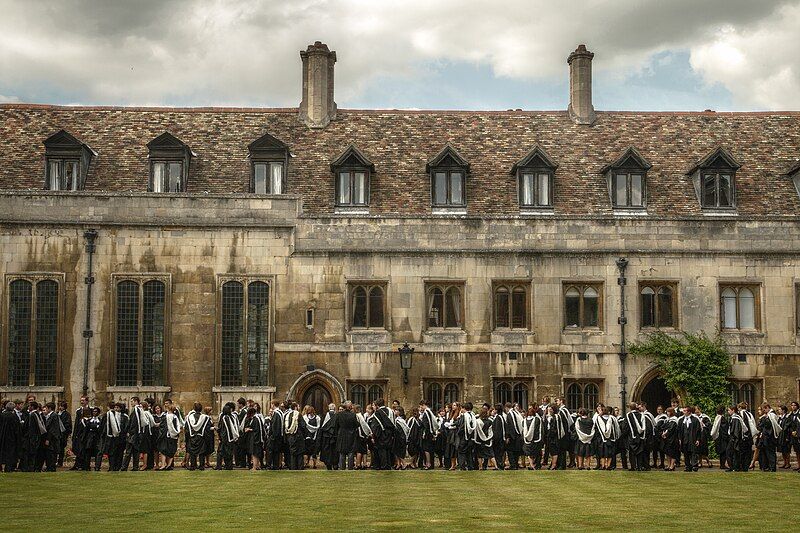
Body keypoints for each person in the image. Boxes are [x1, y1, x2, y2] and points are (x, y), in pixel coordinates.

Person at [184, 403, 211, 471]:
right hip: (201, 436)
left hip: (192, 436)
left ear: (194, 409)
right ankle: (201, 465)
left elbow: (186, 428)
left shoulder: (189, 417)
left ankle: (193, 465)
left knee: (193, 452)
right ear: (201, 409)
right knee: (201, 452)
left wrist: (187, 437)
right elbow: (207, 428)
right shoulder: (205, 417)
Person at [592, 405, 619, 470]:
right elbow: (616, 428)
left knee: (602, 453)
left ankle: (603, 465)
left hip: (601, 439)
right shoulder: (612, 418)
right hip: (611, 439)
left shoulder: (598, 418)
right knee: (610, 453)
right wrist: (616, 437)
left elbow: (595, 428)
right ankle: (608, 466)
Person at [757, 402, 781, 472]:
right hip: (767, 437)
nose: (764, 412)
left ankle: (772, 467)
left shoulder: (771, 415)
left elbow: (769, 425)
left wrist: (764, 419)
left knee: (771, 453)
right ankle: (769, 466)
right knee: (768, 453)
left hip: (770, 437)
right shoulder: (769, 415)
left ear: (767, 407)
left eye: (764, 410)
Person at [214, 402, 239, 471]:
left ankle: (219, 466)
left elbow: (223, 429)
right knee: (229, 452)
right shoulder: (232, 417)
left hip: (225, 438)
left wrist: (219, 435)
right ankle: (229, 466)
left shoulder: (224, 418)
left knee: (220, 452)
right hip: (231, 438)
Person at [157, 403, 182, 471]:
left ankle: (163, 465)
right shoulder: (175, 417)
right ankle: (168, 465)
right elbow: (178, 426)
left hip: (166, 436)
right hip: (173, 436)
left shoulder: (165, 417)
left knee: (163, 450)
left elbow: (162, 426)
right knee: (172, 451)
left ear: (168, 409)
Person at [335, 401, 358, 470]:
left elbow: (336, 425)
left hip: (341, 434)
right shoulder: (353, 415)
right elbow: (356, 424)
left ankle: (342, 468)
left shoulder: (339, 414)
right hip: (351, 435)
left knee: (342, 452)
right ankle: (350, 468)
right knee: (350, 452)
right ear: (349, 407)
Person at [726, 405, 749, 472]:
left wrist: (733, 439)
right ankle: (734, 467)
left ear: (733, 410)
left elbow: (735, 430)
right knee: (734, 453)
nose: (728, 412)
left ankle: (733, 467)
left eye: (729, 410)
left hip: (734, 439)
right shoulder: (737, 417)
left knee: (730, 453)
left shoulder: (735, 418)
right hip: (735, 439)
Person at [41, 402, 63, 472]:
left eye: (46, 408)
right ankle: (49, 467)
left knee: (51, 454)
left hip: (52, 439)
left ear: (49, 408)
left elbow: (52, 429)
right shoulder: (51, 415)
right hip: (52, 438)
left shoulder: (53, 416)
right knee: (49, 453)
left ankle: (51, 468)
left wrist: (48, 439)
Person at [284, 402, 306, 470]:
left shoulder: (287, 415)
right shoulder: (298, 414)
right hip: (298, 436)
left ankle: (293, 467)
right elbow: (303, 426)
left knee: (292, 454)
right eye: (298, 406)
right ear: (296, 407)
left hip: (290, 436)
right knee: (300, 453)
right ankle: (299, 468)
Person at [0, 402, 21, 472]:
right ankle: (8, 468)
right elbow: (17, 429)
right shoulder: (14, 417)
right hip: (11, 438)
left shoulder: (2, 415)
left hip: (2, 437)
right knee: (10, 453)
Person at [678, 406, 701, 472]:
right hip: (684, 439)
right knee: (686, 453)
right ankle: (688, 466)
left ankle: (694, 465)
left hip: (692, 438)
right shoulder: (681, 420)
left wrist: (698, 439)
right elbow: (679, 430)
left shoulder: (695, 419)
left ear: (689, 412)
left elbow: (698, 430)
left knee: (693, 452)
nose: (683, 412)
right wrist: (679, 439)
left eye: (685, 411)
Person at [70, 396, 89, 470]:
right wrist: (74, 435)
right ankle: (77, 465)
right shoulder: (78, 411)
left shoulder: (89, 409)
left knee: (84, 450)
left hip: (86, 434)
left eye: (83, 400)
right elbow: (77, 423)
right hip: (79, 433)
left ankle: (83, 465)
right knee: (78, 449)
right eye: (81, 400)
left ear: (87, 401)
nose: (82, 402)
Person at [522, 405, 543, 470]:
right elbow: (540, 429)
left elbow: (523, 429)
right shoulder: (537, 419)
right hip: (536, 439)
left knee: (529, 453)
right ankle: (536, 465)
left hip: (527, 440)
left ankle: (532, 465)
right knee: (537, 453)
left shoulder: (524, 421)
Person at [318, 403, 338, 470]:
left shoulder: (324, 416)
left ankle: (328, 465)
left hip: (326, 438)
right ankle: (335, 464)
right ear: (335, 409)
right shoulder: (336, 416)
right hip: (335, 437)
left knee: (327, 451)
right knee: (334, 451)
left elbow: (322, 428)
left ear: (329, 408)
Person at [418, 400, 437, 470]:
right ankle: (430, 464)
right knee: (430, 449)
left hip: (427, 434)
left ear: (423, 405)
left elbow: (426, 425)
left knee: (426, 449)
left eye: (421, 406)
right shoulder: (429, 412)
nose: (420, 408)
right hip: (430, 434)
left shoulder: (426, 413)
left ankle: (428, 464)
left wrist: (424, 434)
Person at [710, 405, 729, 470]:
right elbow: (724, 429)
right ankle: (722, 464)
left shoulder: (717, 417)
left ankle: (722, 464)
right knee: (724, 451)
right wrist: (726, 437)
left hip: (718, 437)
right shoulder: (722, 418)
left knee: (721, 452)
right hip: (722, 438)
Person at [660, 407, 680, 471]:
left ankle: (672, 465)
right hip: (667, 439)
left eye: (668, 412)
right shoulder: (667, 419)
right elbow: (663, 427)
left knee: (673, 452)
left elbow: (671, 429)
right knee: (667, 452)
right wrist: (663, 433)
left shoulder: (674, 420)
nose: (667, 413)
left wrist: (665, 433)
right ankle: (669, 465)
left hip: (673, 438)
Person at [268, 400, 285, 470]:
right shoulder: (280, 412)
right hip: (279, 436)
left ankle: (275, 466)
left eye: (271, 404)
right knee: (276, 452)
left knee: (275, 452)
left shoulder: (276, 413)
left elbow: (275, 426)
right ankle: (276, 465)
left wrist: (272, 436)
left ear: (273, 404)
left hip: (276, 437)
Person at [55, 401, 72, 468]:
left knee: (61, 449)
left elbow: (68, 425)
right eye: (59, 406)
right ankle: (55, 461)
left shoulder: (67, 414)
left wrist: (65, 433)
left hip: (62, 434)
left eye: (61, 406)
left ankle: (60, 462)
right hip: (57, 434)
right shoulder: (56, 413)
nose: (60, 407)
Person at [491, 403, 507, 469]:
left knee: (498, 453)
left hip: (499, 440)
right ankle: (500, 465)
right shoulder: (501, 417)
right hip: (501, 439)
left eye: (494, 409)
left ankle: (499, 465)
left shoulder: (498, 418)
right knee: (500, 453)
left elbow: (497, 430)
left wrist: (494, 439)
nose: (493, 410)